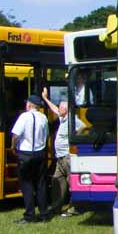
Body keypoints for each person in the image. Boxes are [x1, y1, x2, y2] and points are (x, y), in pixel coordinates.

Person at [42, 88, 85, 217]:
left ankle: (74, 208)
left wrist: (75, 136)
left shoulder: (73, 120)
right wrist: (45, 98)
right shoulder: (63, 118)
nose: (58, 110)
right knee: (57, 181)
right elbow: (54, 109)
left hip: (67, 157)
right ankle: (56, 207)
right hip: (60, 158)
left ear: (65, 110)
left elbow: (83, 126)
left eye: (60, 108)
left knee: (72, 184)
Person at [11, 94, 50, 224]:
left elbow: (16, 135)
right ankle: (44, 214)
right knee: (41, 184)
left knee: (26, 184)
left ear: (29, 104)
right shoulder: (44, 117)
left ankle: (30, 215)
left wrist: (13, 147)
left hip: (26, 154)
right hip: (40, 153)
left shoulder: (24, 116)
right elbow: (46, 135)